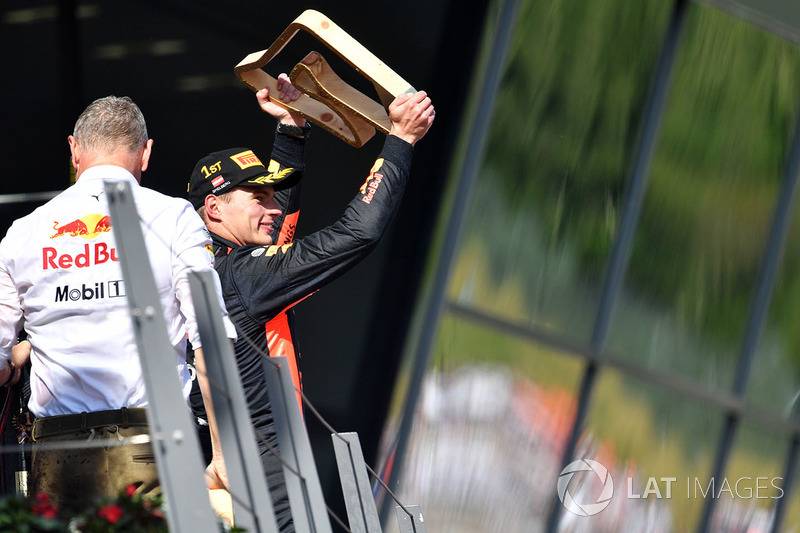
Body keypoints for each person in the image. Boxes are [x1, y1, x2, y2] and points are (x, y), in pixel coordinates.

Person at [186, 75, 434, 531]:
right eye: (256, 197)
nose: (273, 206)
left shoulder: (206, 266)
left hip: (217, 458)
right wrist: (400, 141)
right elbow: (357, 233)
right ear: (215, 210)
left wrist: (292, 128)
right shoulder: (245, 274)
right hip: (258, 461)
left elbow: (276, 228)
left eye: (270, 194)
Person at [0, 95, 237, 512]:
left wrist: (16, 360)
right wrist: (222, 454)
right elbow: (211, 341)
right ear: (145, 153)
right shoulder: (175, 217)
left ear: (74, 150)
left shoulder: (23, 231)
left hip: (56, 449)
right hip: (153, 442)